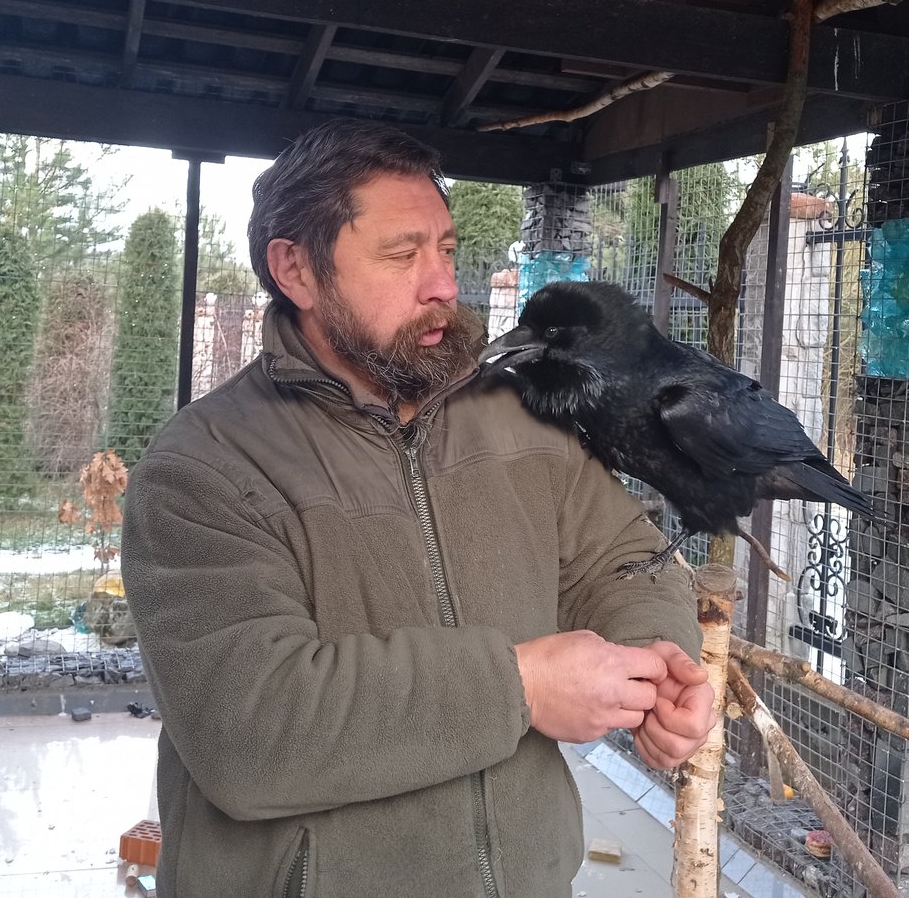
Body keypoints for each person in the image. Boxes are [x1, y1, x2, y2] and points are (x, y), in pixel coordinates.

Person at [122, 119, 714, 898]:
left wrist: (655, 663)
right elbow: (250, 730)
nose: (442, 285)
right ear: (297, 270)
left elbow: (625, 559)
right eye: (403, 255)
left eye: (446, 249)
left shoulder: (521, 414)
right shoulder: (204, 467)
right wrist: (521, 686)